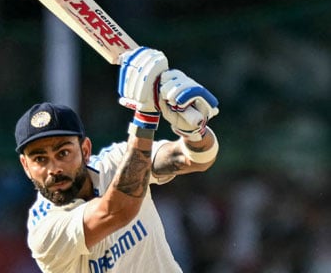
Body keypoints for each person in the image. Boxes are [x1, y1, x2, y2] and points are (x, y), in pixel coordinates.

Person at [14, 47, 220, 273]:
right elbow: (117, 210)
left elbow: (196, 159)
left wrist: (194, 132)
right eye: (40, 159)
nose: (54, 169)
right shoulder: (45, 231)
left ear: (85, 150)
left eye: (63, 153)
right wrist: (145, 115)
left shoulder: (117, 161)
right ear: (26, 166)